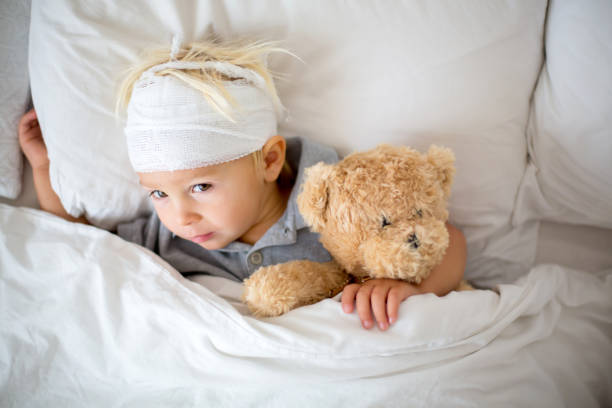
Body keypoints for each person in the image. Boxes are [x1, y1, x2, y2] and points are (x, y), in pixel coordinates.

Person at [18, 38, 467, 331]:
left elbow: (448, 243)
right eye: (158, 193)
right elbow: (82, 244)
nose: (181, 215)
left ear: (270, 160)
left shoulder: (336, 205)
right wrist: (43, 168)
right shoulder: (166, 237)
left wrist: (411, 290)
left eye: (201, 187)